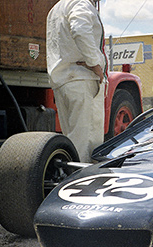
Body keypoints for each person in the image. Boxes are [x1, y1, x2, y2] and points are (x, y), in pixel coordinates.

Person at [46, 0, 107, 162]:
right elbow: (80, 29)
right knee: (87, 145)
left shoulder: (56, 8)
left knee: (74, 143)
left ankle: (72, 183)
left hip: (63, 81)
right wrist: (95, 63)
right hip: (82, 79)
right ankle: (87, 185)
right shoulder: (81, 3)